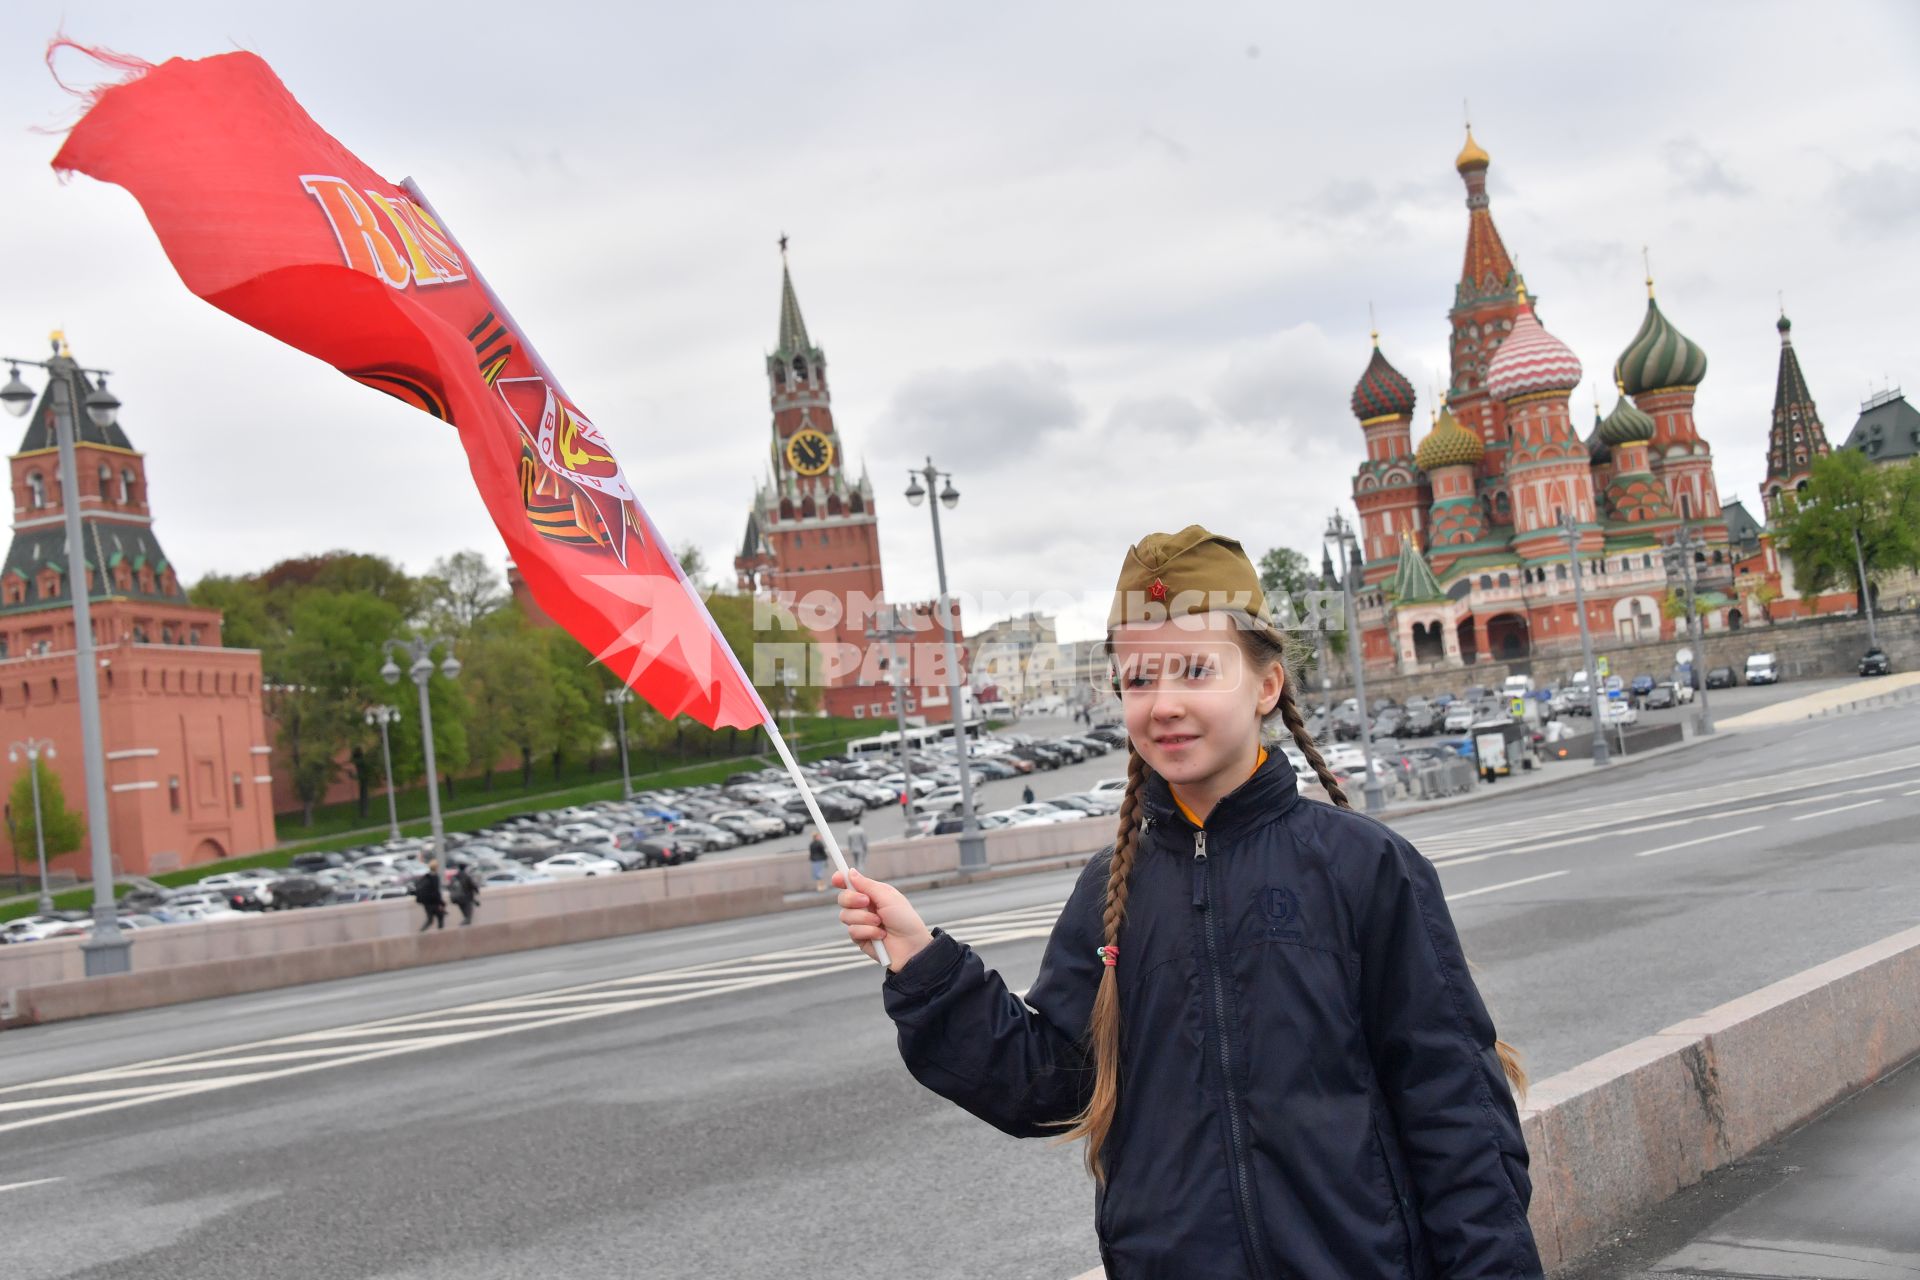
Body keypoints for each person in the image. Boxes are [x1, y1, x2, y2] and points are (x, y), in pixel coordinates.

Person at [835, 526, 1538, 1279]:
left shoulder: (1365, 867)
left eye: (1196, 670)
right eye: (1138, 680)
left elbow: (1457, 1115)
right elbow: (1049, 1088)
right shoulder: (1114, 889)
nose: (1163, 704)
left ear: (1267, 685)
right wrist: (923, 966)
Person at [413, 858, 447, 931]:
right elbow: (436, 891)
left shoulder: (426, 876)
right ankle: (440, 935)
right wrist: (441, 902)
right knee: (440, 917)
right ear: (436, 867)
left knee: (430, 919)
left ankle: (421, 932)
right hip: (433, 902)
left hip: (426, 903)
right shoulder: (435, 877)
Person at [449, 861, 480, 926]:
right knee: (468, 917)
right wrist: (477, 891)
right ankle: (461, 930)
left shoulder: (455, 876)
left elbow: (450, 887)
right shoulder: (466, 876)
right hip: (466, 899)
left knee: (465, 916)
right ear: (465, 868)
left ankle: (463, 929)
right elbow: (473, 885)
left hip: (458, 899)